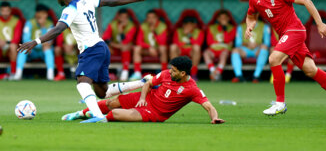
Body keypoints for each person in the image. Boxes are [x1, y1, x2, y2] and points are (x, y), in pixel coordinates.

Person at [18, 0, 155, 122]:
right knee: (103, 91)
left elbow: (58, 29)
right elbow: (111, 1)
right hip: (102, 47)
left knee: (83, 83)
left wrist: (35, 41)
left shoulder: (70, 10)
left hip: (91, 50)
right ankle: (142, 82)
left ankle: (98, 116)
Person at [63, 56, 225, 124]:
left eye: (174, 70)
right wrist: (141, 98)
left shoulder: (192, 89)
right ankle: (81, 113)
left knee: (117, 114)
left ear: (183, 73)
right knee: (112, 102)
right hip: (146, 99)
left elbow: (209, 106)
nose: (170, 72)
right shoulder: (166, 74)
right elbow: (148, 84)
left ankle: (98, 119)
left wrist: (215, 118)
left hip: (155, 113)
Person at [14, 4, 55, 80]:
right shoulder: (30, 23)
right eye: (42, 13)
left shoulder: (49, 24)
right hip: (32, 51)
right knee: (24, 48)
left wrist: (43, 27)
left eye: (45, 14)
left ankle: (50, 74)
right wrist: (36, 45)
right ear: (37, 13)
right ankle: (18, 73)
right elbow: (25, 39)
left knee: (47, 47)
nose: (44, 16)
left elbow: (49, 41)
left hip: (43, 51)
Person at [131, 9, 168, 80]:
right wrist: (149, 47)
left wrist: (154, 31)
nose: (151, 20)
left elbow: (162, 42)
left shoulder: (162, 26)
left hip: (158, 50)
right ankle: (137, 73)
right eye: (149, 18)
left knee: (163, 48)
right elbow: (139, 41)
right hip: (147, 50)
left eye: (153, 17)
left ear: (157, 18)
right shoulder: (143, 26)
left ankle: (164, 73)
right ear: (146, 19)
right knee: (137, 48)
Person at [102, 8, 137, 81]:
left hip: (127, 49)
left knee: (126, 47)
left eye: (125, 17)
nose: (123, 19)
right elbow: (105, 38)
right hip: (115, 47)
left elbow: (126, 42)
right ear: (118, 17)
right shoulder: (112, 24)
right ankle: (104, 72)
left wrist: (121, 30)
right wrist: (113, 45)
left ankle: (125, 72)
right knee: (104, 47)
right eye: (122, 17)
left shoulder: (132, 26)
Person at [231, 18, 270, 83]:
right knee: (235, 50)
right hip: (245, 50)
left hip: (257, 50)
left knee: (264, 47)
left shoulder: (264, 26)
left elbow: (267, 43)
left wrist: (257, 45)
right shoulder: (241, 27)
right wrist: (247, 44)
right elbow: (237, 43)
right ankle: (239, 76)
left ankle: (256, 76)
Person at [203, 10, 236, 81]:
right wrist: (222, 42)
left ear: (228, 19)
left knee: (224, 54)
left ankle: (218, 73)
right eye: (221, 18)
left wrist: (224, 28)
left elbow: (228, 40)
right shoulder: (212, 28)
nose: (223, 20)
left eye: (225, 18)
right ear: (218, 19)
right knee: (206, 53)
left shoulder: (232, 28)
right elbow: (209, 42)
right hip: (213, 49)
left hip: (224, 50)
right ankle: (213, 71)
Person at [0, 2, 22, 79]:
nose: (5, 13)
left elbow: (17, 39)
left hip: (10, 49)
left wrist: (6, 42)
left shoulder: (16, 21)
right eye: (3, 11)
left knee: (13, 46)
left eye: (7, 11)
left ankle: (13, 73)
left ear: (10, 11)